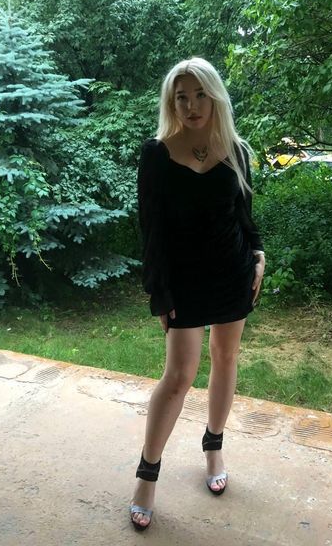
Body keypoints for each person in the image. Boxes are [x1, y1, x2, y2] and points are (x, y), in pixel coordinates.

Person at [130, 57, 265, 531]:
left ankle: (214, 447)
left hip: (233, 273)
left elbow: (244, 216)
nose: (191, 106)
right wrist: (159, 291)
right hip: (184, 281)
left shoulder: (236, 151)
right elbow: (151, 231)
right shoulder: (157, 154)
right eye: (181, 97)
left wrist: (259, 253)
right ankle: (147, 475)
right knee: (179, 375)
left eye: (200, 95)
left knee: (226, 358)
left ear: (215, 96)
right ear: (172, 102)